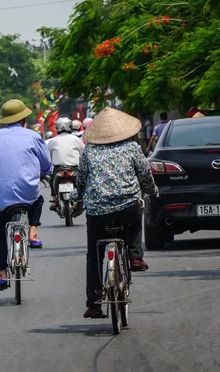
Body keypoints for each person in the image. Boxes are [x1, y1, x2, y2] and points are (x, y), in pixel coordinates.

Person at [73, 108, 158, 319]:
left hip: (97, 213)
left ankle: (93, 304)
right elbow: (145, 176)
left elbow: (81, 182)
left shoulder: (90, 151)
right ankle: (136, 257)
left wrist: (78, 197)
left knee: (94, 255)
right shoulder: (132, 148)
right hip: (127, 208)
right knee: (136, 214)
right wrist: (152, 192)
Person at [0, 99, 53, 290]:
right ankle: (33, 233)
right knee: (38, 199)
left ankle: (2, 275)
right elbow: (46, 165)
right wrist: (44, 170)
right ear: (24, 120)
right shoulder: (33, 136)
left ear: (4, 120)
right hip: (27, 192)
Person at [46, 116, 85, 210]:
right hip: (74, 168)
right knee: (82, 182)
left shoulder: (53, 140)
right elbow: (84, 152)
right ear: (70, 127)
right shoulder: (76, 139)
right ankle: (81, 199)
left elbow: (47, 155)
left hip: (58, 168)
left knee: (51, 180)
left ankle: (55, 200)